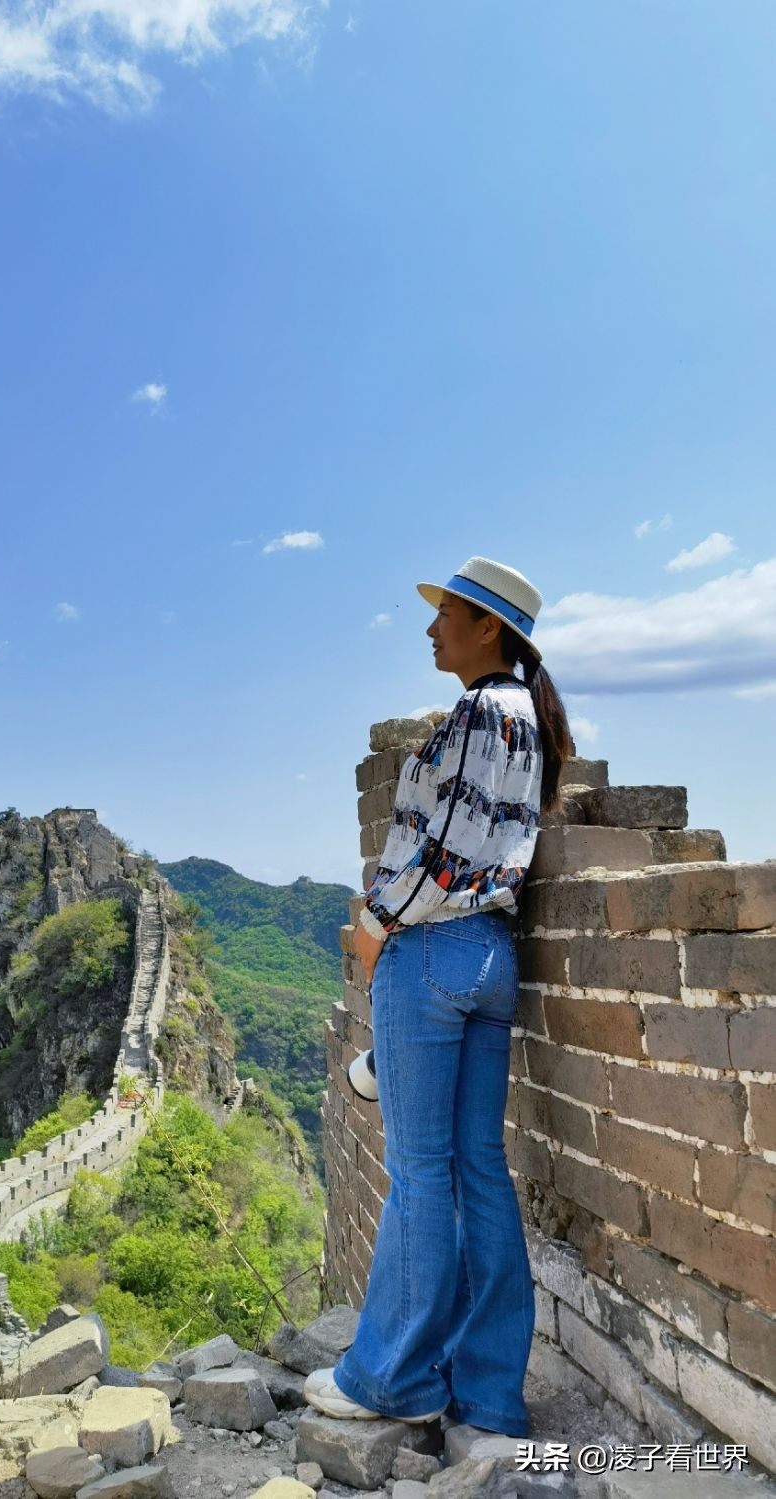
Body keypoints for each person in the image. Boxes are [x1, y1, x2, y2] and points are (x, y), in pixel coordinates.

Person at [305, 555, 571, 1438]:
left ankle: (390, 1378)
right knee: (479, 1175)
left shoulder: (477, 711)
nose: (429, 628)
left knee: (419, 1177)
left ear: (487, 626)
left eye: (444, 613)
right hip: (494, 955)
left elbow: (439, 854)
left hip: (432, 951)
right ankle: (489, 1392)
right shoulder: (529, 718)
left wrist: (374, 927)